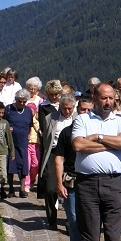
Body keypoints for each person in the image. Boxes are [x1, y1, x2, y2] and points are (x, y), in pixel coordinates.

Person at [71, 82, 121, 241]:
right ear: (95, 98)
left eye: (111, 98)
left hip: (114, 183)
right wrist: (110, 144)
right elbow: (77, 145)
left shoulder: (120, 120)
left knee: (114, 239)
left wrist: (98, 138)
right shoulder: (82, 120)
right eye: (103, 98)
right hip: (87, 184)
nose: (107, 102)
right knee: (91, 239)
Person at [54, 96, 93, 241]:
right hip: (71, 181)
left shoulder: (98, 133)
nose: (86, 113)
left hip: (92, 181)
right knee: (75, 221)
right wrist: (59, 183)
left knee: (92, 223)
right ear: (78, 110)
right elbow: (58, 159)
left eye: (89, 110)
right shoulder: (67, 132)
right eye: (83, 109)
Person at [40, 93, 76, 226]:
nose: (67, 111)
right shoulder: (51, 118)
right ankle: (51, 218)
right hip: (54, 152)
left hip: (71, 154)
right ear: (60, 107)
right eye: (65, 108)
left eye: (70, 109)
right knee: (50, 188)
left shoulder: (78, 118)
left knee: (70, 188)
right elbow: (45, 137)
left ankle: (69, 220)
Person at [4, 89, 34, 198]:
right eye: (19, 101)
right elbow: (3, 123)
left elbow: (30, 125)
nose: (21, 103)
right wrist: (7, 129)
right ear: (16, 99)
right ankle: (11, 189)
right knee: (10, 165)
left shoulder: (28, 111)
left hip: (23, 141)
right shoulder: (9, 109)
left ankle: (22, 189)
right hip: (11, 141)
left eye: (24, 101)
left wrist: (29, 135)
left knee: (23, 165)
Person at [24, 102, 40, 194]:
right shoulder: (25, 120)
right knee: (27, 164)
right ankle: (26, 184)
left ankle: (32, 180)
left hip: (36, 145)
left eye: (32, 111)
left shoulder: (37, 120)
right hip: (27, 144)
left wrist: (33, 120)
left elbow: (39, 130)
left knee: (35, 164)